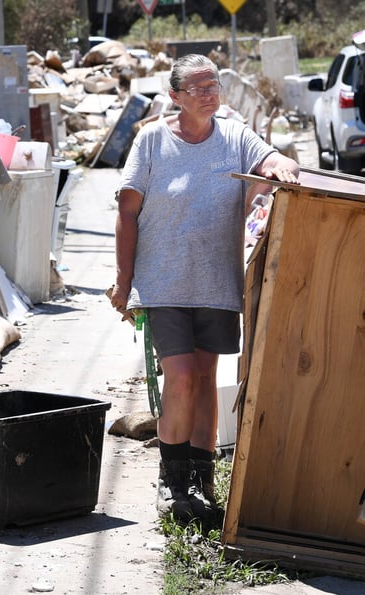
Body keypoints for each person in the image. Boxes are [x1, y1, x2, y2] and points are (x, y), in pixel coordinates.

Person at [110, 54, 299, 524]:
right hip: (164, 283)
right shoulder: (152, 140)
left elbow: (269, 155)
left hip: (217, 283)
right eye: (198, 88)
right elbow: (127, 212)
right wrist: (124, 281)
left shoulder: (233, 136)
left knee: (204, 382)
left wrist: (282, 165)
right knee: (180, 378)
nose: (210, 94)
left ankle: (201, 481)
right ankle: (171, 484)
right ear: (175, 97)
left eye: (213, 85)